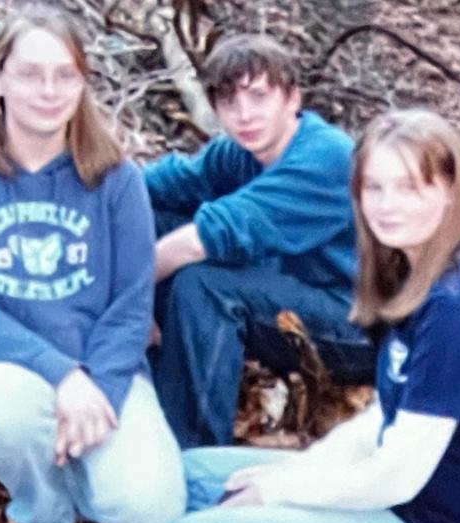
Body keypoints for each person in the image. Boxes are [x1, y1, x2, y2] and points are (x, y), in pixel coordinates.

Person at [161, 109, 460, 523]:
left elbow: (398, 473)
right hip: (406, 505)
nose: (387, 204)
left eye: (409, 187)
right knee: (195, 477)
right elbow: (379, 424)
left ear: (452, 189)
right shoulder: (412, 274)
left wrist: (279, 491)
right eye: (374, 187)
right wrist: (297, 473)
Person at [0, 4, 185, 523]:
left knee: (149, 510)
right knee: (3, 413)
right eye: (30, 73)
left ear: (83, 83)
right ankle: (44, 510)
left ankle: (78, 465)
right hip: (0, 375)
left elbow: (131, 306)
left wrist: (97, 390)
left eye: (65, 75)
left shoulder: (116, 179)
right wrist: (61, 375)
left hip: (105, 374)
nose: (48, 90)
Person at [144, 33, 375, 449]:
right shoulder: (236, 153)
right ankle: (142, 389)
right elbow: (154, 187)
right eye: (229, 103)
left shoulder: (325, 158)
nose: (244, 115)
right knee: (153, 221)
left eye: (258, 97)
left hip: (356, 326)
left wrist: (128, 298)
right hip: (291, 293)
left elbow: (206, 238)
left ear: (292, 99)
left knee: (206, 283)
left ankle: (190, 453)